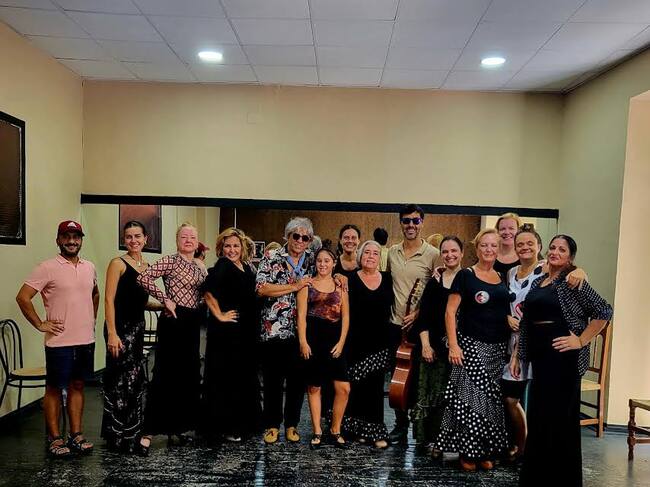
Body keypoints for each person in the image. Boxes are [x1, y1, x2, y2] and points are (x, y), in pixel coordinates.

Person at [516, 235, 612, 487]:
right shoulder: (538, 281)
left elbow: (604, 311)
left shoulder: (573, 281)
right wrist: (518, 355)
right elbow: (526, 321)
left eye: (562, 249)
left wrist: (580, 341)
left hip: (563, 360)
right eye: (553, 247)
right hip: (540, 358)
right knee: (539, 418)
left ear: (570, 257)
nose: (555, 252)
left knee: (559, 421)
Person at [16, 220, 99, 457]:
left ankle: (76, 434)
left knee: (78, 385)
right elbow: (23, 297)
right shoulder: (47, 267)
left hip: (85, 339)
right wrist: (40, 324)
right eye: (66, 237)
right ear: (58, 240)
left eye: (76, 237)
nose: (71, 241)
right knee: (54, 388)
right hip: (59, 341)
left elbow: (95, 293)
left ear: (81, 240)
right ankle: (54, 438)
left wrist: (91, 319)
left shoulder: (89, 267)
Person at [435, 228, 510, 472]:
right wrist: (454, 345)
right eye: (484, 245)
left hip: (497, 349)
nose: (489, 249)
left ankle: (484, 450)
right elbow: (450, 312)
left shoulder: (502, 276)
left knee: (489, 403)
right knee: (470, 400)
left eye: (493, 245)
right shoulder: (466, 275)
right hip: (470, 346)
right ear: (476, 249)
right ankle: (468, 452)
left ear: (499, 249)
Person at [136, 222, 207, 454]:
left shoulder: (200, 266)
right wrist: (164, 299)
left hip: (192, 322)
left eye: (192, 237)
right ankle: (148, 432)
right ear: (177, 240)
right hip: (173, 321)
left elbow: (205, 293)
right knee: (164, 374)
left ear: (197, 242)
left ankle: (179, 427)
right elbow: (144, 278)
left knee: (188, 374)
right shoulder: (170, 260)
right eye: (184, 236)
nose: (188, 240)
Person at [101, 221, 161, 453]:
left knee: (134, 381)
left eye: (137, 236)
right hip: (119, 329)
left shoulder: (147, 266)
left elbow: (141, 301)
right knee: (118, 381)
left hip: (137, 329)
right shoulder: (117, 263)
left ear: (146, 239)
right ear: (124, 240)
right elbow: (109, 300)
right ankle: (115, 434)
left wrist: (163, 305)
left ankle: (131, 433)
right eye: (128, 237)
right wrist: (112, 333)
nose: (133, 240)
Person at [256, 217, 315, 445]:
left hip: (301, 333)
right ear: (287, 236)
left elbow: (327, 276)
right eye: (295, 236)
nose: (300, 240)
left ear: (309, 240)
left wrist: (339, 277)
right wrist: (294, 286)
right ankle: (272, 425)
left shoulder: (311, 259)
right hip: (274, 329)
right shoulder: (272, 256)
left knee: (297, 382)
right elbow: (262, 288)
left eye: (305, 237)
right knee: (273, 380)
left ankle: (292, 425)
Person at [201, 228, 261, 443]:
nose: (232, 250)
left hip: (245, 332)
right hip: (228, 333)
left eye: (236, 246)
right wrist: (219, 314)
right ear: (221, 248)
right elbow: (207, 291)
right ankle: (227, 427)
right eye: (228, 246)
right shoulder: (223, 265)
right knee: (228, 378)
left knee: (242, 376)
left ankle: (244, 424)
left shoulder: (246, 266)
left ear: (242, 247)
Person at [386, 204, 440, 442]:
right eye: (406, 220)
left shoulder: (433, 254)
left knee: (418, 378)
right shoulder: (392, 252)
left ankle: (419, 429)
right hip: (394, 325)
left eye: (415, 221)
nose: (411, 225)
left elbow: (437, 293)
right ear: (401, 223)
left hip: (420, 328)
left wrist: (418, 314)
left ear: (422, 223)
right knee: (398, 378)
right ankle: (400, 425)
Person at [411, 236, 464, 456]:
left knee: (453, 398)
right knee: (432, 395)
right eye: (445, 251)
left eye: (454, 251)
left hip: (459, 350)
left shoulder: (468, 279)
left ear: (462, 253)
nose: (449, 255)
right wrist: (425, 345)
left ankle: (451, 441)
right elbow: (423, 317)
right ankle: (431, 440)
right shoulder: (435, 282)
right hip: (433, 348)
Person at [342, 240, 394, 448]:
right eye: (367, 252)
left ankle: (376, 432)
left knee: (375, 389)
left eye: (375, 253)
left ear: (380, 257)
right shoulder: (349, 279)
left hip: (380, 341)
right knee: (357, 389)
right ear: (360, 256)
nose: (371, 256)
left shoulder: (388, 278)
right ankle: (358, 431)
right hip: (356, 342)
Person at [297, 247, 350, 449]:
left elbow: (346, 317)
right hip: (313, 340)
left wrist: (342, 342)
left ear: (334, 263)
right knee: (314, 387)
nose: (322, 264)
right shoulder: (307, 285)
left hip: (335, 340)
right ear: (315, 263)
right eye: (319, 260)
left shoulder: (340, 286)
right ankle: (317, 431)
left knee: (343, 388)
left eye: (327, 260)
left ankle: (335, 429)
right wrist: (303, 341)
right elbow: (301, 317)